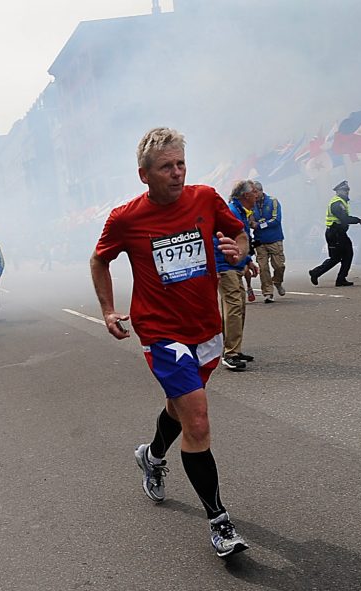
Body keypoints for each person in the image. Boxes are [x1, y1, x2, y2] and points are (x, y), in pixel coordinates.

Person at [90, 127, 250, 559]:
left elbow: (240, 235)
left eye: (181, 163)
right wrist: (108, 309)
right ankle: (220, 523)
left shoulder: (206, 198)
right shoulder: (125, 218)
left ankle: (152, 456)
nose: (177, 173)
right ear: (145, 175)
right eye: (167, 167)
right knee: (197, 420)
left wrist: (238, 251)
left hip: (206, 328)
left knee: (179, 408)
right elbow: (99, 259)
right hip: (161, 332)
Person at [215, 181, 256, 371]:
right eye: (255, 192)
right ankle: (230, 354)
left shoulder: (241, 212)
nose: (258, 195)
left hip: (235, 266)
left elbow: (240, 240)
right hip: (226, 267)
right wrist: (216, 266)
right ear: (245, 195)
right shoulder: (231, 211)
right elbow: (217, 238)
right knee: (233, 308)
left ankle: (235, 350)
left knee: (238, 306)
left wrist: (247, 259)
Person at [309, 180, 361, 287]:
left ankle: (336, 277)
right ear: (338, 191)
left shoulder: (341, 201)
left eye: (347, 190)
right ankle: (322, 274)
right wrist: (357, 220)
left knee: (341, 256)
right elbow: (343, 218)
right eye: (345, 190)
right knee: (340, 256)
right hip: (335, 233)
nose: (347, 192)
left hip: (338, 233)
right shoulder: (337, 203)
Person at [251, 181, 287, 302]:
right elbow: (249, 221)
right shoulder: (250, 204)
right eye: (252, 192)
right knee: (263, 267)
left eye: (255, 192)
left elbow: (276, 220)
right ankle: (268, 293)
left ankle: (277, 281)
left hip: (275, 239)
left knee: (279, 265)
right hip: (259, 241)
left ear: (261, 191)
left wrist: (260, 225)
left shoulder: (273, 201)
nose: (254, 195)